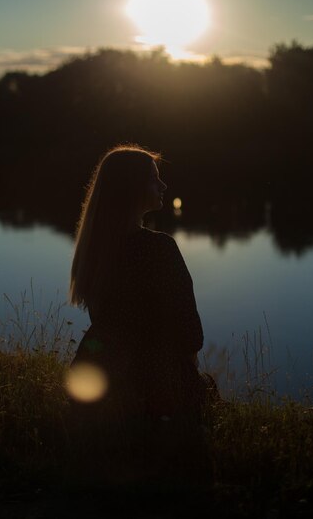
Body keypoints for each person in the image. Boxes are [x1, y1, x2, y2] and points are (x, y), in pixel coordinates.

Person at [67, 143, 218, 485]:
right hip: (154, 387)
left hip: (98, 380)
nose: (163, 186)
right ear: (133, 190)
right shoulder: (158, 249)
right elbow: (190, 336)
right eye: (154, 179)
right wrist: (189, 384)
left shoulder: (95, 249)